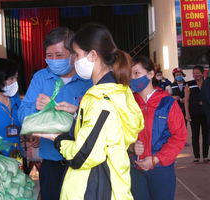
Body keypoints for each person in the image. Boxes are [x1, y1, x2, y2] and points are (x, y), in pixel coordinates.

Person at [33, 23, 144, 200]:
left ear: (92, 55)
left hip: (98, 189)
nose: (73, 61)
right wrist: (77, 113)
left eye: (76, 55)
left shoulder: (101, 99)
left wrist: (55, 136)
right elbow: (104, 134)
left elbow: (80, 156)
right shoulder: (118, 91)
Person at [17, 27, 93, 200]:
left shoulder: (89, 80)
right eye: (49, 56)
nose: (53, 60)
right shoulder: (40, 78)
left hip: (83, 163)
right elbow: (22, 116)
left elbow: (97, 119)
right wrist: (37, 110)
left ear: (74, 54)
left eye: (59, 55)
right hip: (51, 162)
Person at [129, 56, 187, 200]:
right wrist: (130, 147)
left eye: (136, 73)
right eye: (129, 74)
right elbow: (117, 133)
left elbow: (179, 137)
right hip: (134, 169)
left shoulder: (167, 103)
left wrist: (156, 159)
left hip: (161, 169)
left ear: (151, 74)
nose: (132, 78)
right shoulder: (128, 103)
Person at [185, 65, 209, 164]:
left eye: (198, 73)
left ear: (203, 74)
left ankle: (206, 156)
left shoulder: (207, 84)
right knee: (195, 135)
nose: (196, 75)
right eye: (194, 73)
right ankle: (196, 157)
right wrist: (187, 113)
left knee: (206, 135)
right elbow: (186, 100)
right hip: (194, 113)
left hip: (206, 114)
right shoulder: (189, 84)